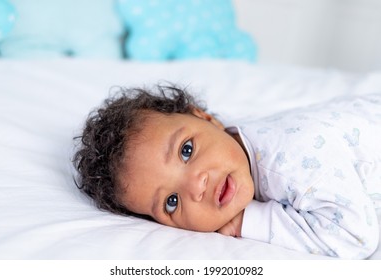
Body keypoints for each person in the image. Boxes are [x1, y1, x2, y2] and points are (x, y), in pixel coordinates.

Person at [73, 84, 381, 259]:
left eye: (186, 150)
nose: (196, 186)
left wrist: (250, 221)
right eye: (171, 202)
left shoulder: (288, 163)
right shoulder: (238, 144)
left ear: (206, 118)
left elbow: (356, 237)